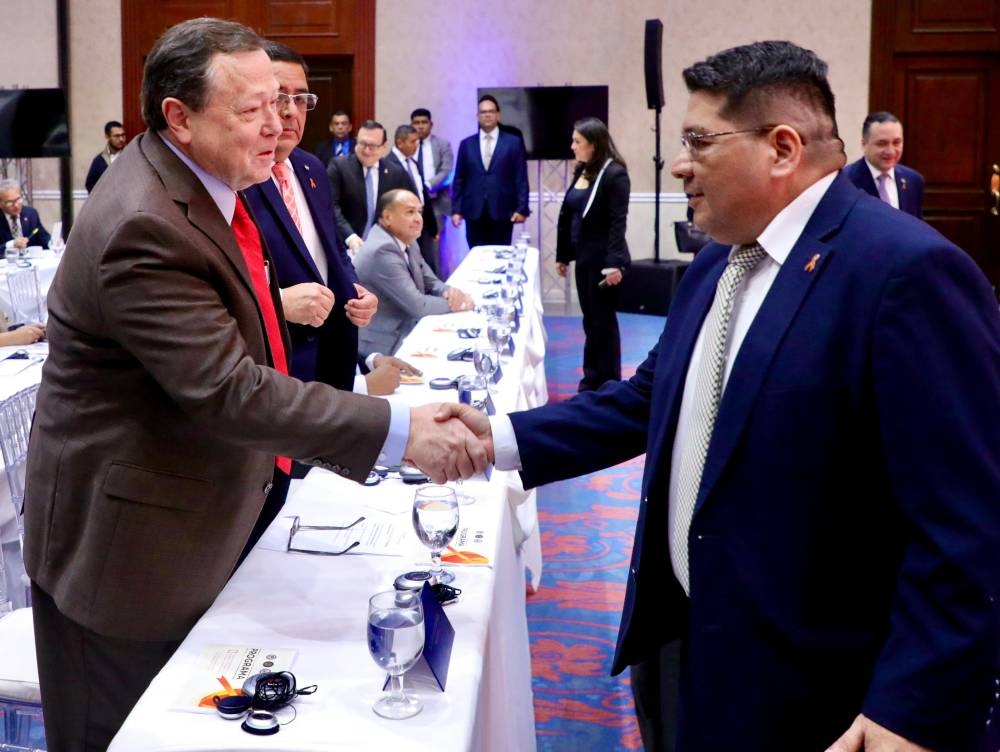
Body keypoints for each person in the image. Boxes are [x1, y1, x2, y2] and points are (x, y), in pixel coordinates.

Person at [442, 40, 1000, 752]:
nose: (679, 164)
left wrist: (911, 708)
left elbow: (968, 524)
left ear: (782, 148)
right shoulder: (716, 263)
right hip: (689, 643)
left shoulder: (905, 274)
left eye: (699, 141)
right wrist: (497, 438)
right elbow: (651, 401)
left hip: (819, 686)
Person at [22, 18, 485, 749]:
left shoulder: (208, 185)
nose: (280, 125)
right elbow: (229, 390)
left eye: (283, 102)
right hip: (127, 561)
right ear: (178, 117)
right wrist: (396, 429)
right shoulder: (144, 223)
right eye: (253, 110)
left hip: (202, 517)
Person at [243, 42, 415, 400]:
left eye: (301, 98)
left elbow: (331, 247)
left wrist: (355, 287)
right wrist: (279, 300)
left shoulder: (312, 168)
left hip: (333, 354)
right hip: (276, 367)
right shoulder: (239, 177)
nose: (291, 111)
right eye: (279, 97)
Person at [555, 117, 630, 391]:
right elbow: (569, 214)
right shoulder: (583, 171)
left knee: (603, 322)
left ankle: (608, 380)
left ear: (594, 144)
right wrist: (563, 254)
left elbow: (617, 222)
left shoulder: (614, 174)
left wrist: (614, 264)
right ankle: (592, 377)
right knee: (590, 320)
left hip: (603, 262)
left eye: (578, 141)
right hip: (584, 258)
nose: (572, 146)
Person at [354, 189, 473, 359]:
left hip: (405, 329)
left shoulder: (406, 239)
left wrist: (449, 292)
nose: (418, 219)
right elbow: (418, 305)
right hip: (381, 346)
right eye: (410, 212)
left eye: (420, 211)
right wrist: (462, 303)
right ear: (387, 217)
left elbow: (431, 281)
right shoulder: (382, 250)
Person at [451, 94, 529, 248]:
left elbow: (520, 177)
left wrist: (522, 208)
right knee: (476, 257)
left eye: (491, 111)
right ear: (477, 116)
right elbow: (459, 178)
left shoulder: (513, 142)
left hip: (502, 211)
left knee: (500, 256)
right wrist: (456, 210)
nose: (487, 114)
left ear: (498, 115)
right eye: (483, 112)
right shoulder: (466, 144)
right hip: (474, 211)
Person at [327, 119, 411, 254]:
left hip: (382, 249)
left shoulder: (395, 173)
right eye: (362, 144)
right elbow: (330, 205)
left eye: (372, 146)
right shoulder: (339, 166)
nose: (366, 150)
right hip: (345, 247)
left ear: (384, 147)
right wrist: (350, 236)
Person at [845, 111, 924, 218]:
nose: (890, 151)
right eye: (882, 143)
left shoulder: (913, 180)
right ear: (864, 144)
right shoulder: (846, 181)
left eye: (896, 142)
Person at [386, 123, 439, 272]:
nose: (416, 145)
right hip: (403, 226)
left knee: (428, 265)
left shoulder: (414, 163)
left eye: (418, 141)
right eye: (412, 141)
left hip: (423, 224)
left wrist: (433, 227)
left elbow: (423, 195)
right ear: (399, 143)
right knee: (411, 269)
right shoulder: (388, 165)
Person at [411, 107, 453, 271]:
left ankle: (439, 287)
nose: (420, 126)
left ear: (431, 124)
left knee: (435, 251)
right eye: (416, 123)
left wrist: (426, 185)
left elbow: (446, 170)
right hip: (412, 204)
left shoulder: (442, 145)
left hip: (435, 202)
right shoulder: (407, 144)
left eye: (424, 122)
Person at [0, 180, 50, 251]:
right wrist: (12, 244)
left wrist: (52, 242)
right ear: (1, 204)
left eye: (18, 199)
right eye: (10, 202)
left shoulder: (31, 214)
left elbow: (43, 237)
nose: (16, 205)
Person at [84, 120, 128, 192]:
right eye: (117, 136)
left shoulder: (132, 156)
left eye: (123, 135)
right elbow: (90, 185)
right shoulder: (99, 160)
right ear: (107, 136)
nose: (121, 139)